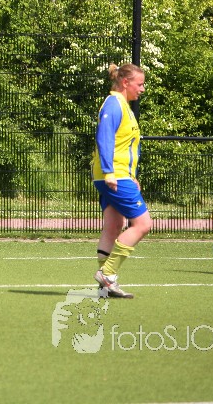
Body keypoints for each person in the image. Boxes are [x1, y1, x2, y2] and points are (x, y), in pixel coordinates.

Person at [91, 63, 151, 299]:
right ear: (126, 82)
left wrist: (131, 175)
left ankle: (106, 286)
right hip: (113, 174)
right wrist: (110, 172)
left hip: (117, 174)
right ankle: (107, 274)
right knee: (143, 224)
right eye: (140, 84)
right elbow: (104, 137)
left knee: (114, 225)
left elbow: (125, 145)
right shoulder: (114, 104)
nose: (142, 89)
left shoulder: (123, 105)